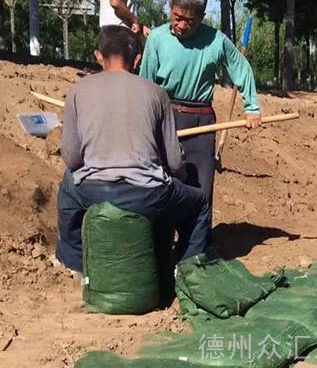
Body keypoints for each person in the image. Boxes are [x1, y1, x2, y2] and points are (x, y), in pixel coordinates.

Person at [56, 26, 211, 274]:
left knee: (67, 189)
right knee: (200, 203)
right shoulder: (156, 93)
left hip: (94, 191)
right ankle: (187, 267)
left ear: (98, 56)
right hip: (148, 194)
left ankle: (75, 265)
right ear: (137, 59)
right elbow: (174, 162)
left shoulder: (77, 91)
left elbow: (72, 158)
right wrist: (177, 180)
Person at [140, 0, 261, 212]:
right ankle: (163, 244)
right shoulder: (156, 39)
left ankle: (198, 245)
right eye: (177, 18)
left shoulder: (216, 40)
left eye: (190, 21)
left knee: (201, 188)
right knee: (162, 184)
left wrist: (251, 107)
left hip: (201, 121)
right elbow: (146, 84)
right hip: (166, 118)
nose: (182, 25)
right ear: (170, 9)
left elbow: (241, 68)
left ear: (202, 17)